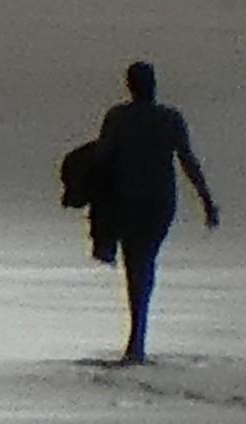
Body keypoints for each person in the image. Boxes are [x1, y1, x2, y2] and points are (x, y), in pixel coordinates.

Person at [89, 59, 218, 364]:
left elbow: (103, 159)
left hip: (128, 201)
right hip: (160, 204)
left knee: (136, 265)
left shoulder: (118, 117)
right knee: (145, 263)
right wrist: (206, 201)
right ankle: (137, 338)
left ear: (129, 86)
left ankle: (136, 340)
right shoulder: (169, 118)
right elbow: (188, 161)